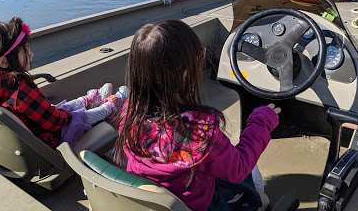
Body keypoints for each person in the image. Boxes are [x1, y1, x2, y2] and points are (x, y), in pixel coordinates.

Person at [115, 20, 280, 211]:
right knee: (253, 174)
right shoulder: (198, 132)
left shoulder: (130, 112)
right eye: (200, 54)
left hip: (159, 200)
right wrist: (262, 121)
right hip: (197, 204)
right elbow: (239, 168)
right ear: (185, 74)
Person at [0, 17, 129, 149]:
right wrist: (70, 114)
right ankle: (109, 108)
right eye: (26, 50)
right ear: (4, 62)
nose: (32, 54)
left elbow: (46, 113)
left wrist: (63, 112)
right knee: (75, 116)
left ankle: (86, 101)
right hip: (49, 139)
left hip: (34, 129)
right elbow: (55, 122)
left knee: (60, 110)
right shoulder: (20, 90)